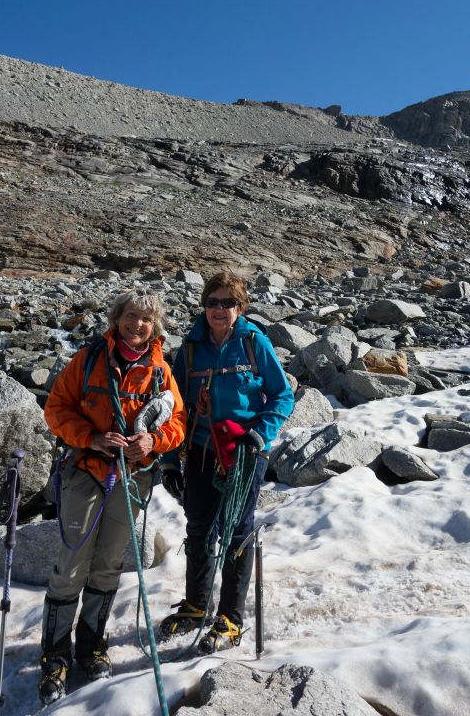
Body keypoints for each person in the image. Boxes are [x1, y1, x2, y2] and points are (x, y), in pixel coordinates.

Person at [38, 288, 186, 705]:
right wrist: (92, 437)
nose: (137, 325)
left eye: (145, 319)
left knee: (107, 567)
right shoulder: (87, 361)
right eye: (130, 316)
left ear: (154, 325)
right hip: (86, 472)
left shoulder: (160, 371)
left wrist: (153, 441)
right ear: (116, 318)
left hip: (131, 477)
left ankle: (91, 646)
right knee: (71, 566)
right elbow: (56, 409)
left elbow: (176, 420)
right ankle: (54, 655)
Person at [160, 271, 294, 654]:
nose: (219, 310)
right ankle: (196, 605)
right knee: (199, 527)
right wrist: (170, 462)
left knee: (237, 530)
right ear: (204, 305)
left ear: (240, 307)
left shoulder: (254, 342)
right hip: (202, 449)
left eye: (227, 303)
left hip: (245, 451)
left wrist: (259, 433)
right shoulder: (189, 349)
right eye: (213, 302)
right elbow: (176, 409)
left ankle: (231, 617)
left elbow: (281, 396)